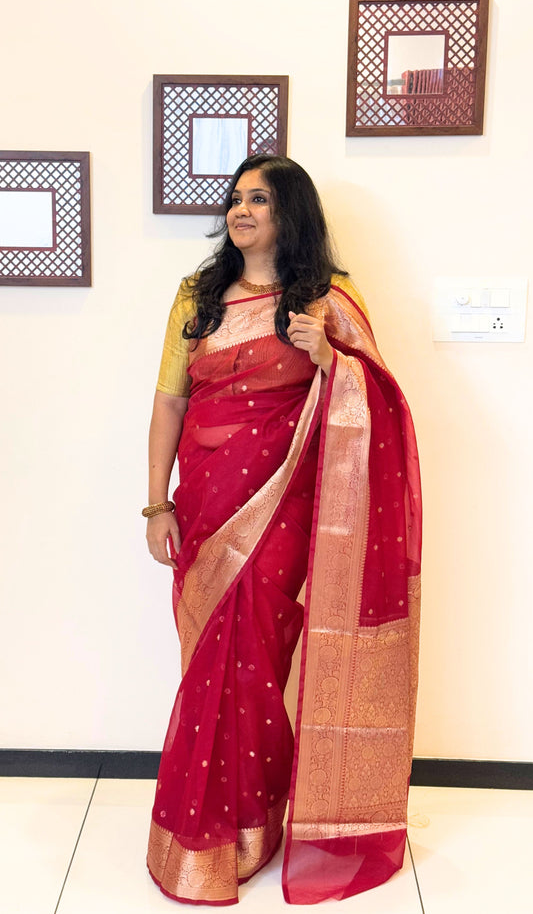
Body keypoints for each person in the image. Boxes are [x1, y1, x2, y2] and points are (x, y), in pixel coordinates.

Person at [144, 154, 421, 906]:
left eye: (258, 198)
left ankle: (251, 825)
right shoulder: (195, 297)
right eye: (235, 198)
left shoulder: (328, 298)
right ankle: (208, 832)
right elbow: (169, 403)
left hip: (280, 511)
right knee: (206, 658)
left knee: (258, 655)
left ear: (288, 211)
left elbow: (378, 405)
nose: (240, 210)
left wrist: (327, 356)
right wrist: (156, 503)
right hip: (202, 508)